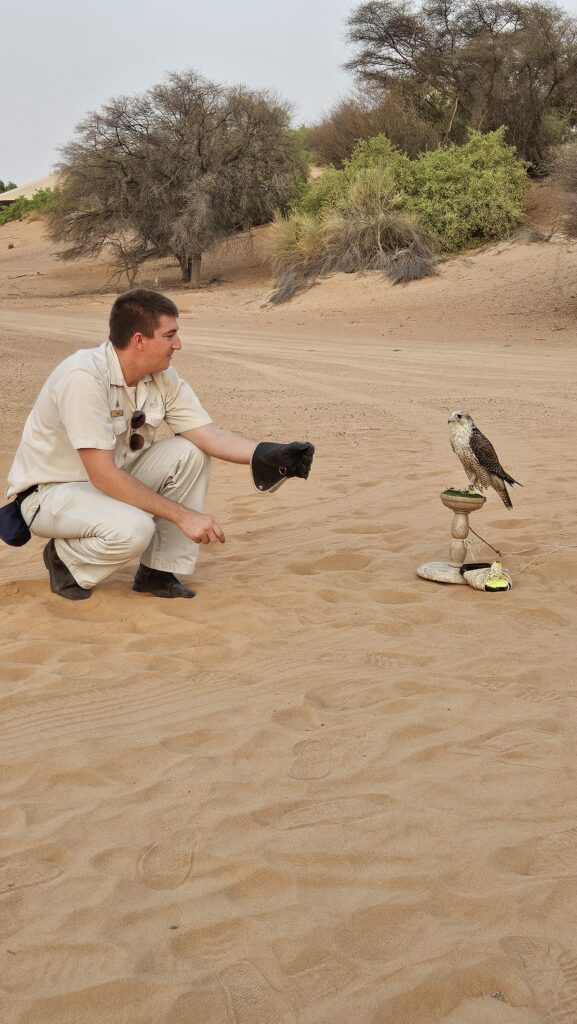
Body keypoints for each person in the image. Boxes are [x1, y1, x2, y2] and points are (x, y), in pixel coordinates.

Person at [6, 289, 314, 601]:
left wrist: (269, 453)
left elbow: (208, 435)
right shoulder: (83, 376)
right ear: (139, 340)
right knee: (136, 529)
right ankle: (66, 561)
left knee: (191, 452)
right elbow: (102, 475)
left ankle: (158, 571)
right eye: (169, 336)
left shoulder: (162, 377)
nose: (177, 344)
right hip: (52, 493)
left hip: (107, 483)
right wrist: (183, 516)